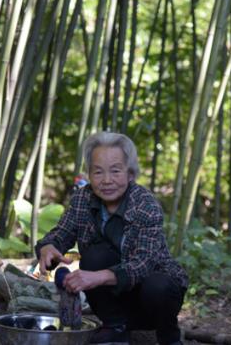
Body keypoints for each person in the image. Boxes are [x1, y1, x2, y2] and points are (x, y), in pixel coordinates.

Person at [36, 132, 188, 345]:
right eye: (98, 172)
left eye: (115, 171)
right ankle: (115, 327)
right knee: (95, 255)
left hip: (153, 301)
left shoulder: (145, 205)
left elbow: (142, 265)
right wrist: (48, 247)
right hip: (117, 302)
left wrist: (97, 277)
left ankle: (170, 337)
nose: (106, 180)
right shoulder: (83, 197)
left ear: (130, 173)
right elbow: (62, 232)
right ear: (89, 174)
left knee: (157, 284)